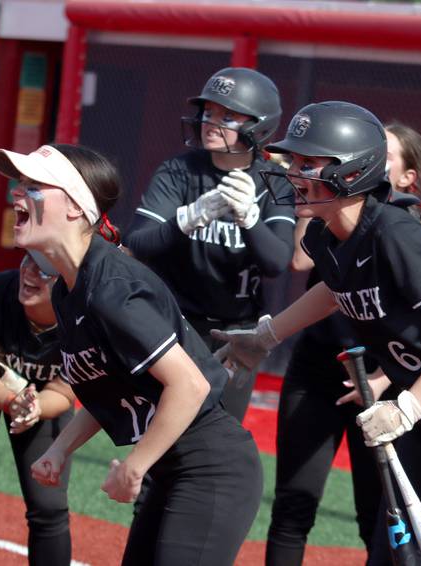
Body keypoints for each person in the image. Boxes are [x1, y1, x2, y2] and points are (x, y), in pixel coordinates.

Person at [215, 101, 421, 565]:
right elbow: (332, 290)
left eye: (308, 163)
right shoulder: (324, 236)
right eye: (294, 162)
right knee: (392, 558)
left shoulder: (394, 230)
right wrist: (265, 336)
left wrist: (408, 405)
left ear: (353, 170)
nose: (293, 173)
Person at [0, 143, 263, 566]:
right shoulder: (69, 289)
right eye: (20, 183)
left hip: (212, 469)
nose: (17, 193)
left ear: (76, 207)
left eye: (35, 186)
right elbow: (110, 389)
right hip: (175, 469)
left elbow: (189, 385)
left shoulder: (110, 286)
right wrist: (60, 448)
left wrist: (135, 465)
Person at [265, 122, 421, 565]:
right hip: (318, 367)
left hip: (380, 379)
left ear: (405, 175)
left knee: (374, 513)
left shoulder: (402, 228)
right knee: (292, 505)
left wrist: (384, 382)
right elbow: (302, 260)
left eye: (383, 153)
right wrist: (309, 190)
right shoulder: (330, 220)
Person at [124, 67, 295, 421]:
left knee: (222, 431)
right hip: (177, 320)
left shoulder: (273, 181)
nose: (210, 121)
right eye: (209, 112)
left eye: (228, 116)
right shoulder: (179, 170)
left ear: (258, 127)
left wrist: (249, 218)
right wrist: (189, 218)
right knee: (166, 427)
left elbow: (277, 261)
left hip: (237, 331)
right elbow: (138, 242)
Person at [0, 250, 75, 566]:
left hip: (43, 400)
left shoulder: (84, 314)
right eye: (27, 259)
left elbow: (64, 390)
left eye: (44, 270)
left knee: (49, 507)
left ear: (69, 280)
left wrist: (34, 408)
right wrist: (12, 401)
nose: (29, 271)